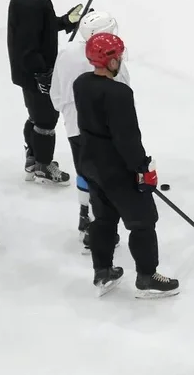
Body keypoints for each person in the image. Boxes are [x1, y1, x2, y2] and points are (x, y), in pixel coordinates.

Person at [73, 32, 179, 298]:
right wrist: (143, 168)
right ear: (109, 61)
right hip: (117, 168)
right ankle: (147, 277)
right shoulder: (119, 93)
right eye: (117, 57)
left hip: (91, 165)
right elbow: (127, 138)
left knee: (104, 219)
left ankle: (103, 271)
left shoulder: (81, 84)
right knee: (143, 221)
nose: (120, 60)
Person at [50, 10, 130, 248]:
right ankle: (97, 227)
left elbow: (56, 94)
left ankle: (85, 217)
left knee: (86, 172)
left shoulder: (66, 51)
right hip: (104, 133)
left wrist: (68, 115)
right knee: (103, 178)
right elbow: (124, 98)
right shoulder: (113, 63)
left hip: (74, 126)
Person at [6, 0, 83, 185]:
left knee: (36, 115)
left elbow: (44, 29)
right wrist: (43, 73)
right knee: (46, 121)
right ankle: (43, 165)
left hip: (31, 70)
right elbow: (27, 47)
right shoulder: (28, 4)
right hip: (33, 72)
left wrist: (66, 21)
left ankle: (33, 158)